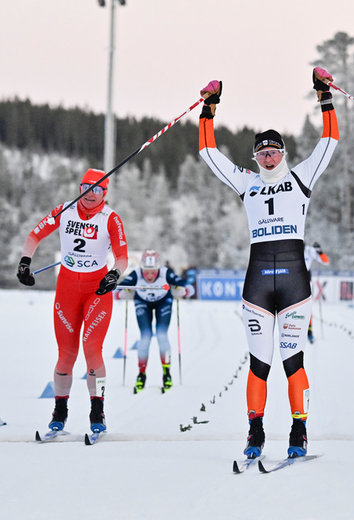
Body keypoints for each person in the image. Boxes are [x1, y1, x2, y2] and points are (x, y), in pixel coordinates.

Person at [197, 67, 338, 459]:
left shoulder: (302, 176)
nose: (268, 156)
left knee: (293, 360)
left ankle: (299, 431)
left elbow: (329, 140)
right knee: (259, 364)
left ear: (284, 154)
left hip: (294, 282)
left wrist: (324, 95)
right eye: (261, 152)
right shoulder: (246, 181)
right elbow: (209, 153)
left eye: (274, 150)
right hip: (257, 282)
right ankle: (254, 432)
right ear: (255, 157)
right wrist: (208, 108)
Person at [17, 168, 128, 435]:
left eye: (97, 190)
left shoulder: (111, 218)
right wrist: (24, 262)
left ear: (105, 192)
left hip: (97, 291)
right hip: (67, 289)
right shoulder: (64, 211)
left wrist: (114, 275)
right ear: (80, 188)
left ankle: (97, 409)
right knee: (65, 356)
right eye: (86, 189)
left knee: (92, 350)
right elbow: (34, 236)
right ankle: (60, 411)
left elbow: (122, 256)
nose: (90, 195)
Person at [117, 249, 193, 393]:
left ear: (158, 268)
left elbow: (182, 282)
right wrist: (122, 293)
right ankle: (141, 374)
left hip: (163, 302)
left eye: (153, 272)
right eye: (146, 272)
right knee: (145, 337)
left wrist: (186, 290)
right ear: (142, 269)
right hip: (142, 303)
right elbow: (122, 286)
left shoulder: (165, 272)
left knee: (161, 335)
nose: (150, 276)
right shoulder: (137, 273)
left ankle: (167, 374)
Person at [303, 242, 330, 343]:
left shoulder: (309, 250)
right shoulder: (290, 248)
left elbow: (326, 261)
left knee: (307, 307)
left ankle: (309, 332)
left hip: (305, 280)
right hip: (293, 280)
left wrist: (320, 252)